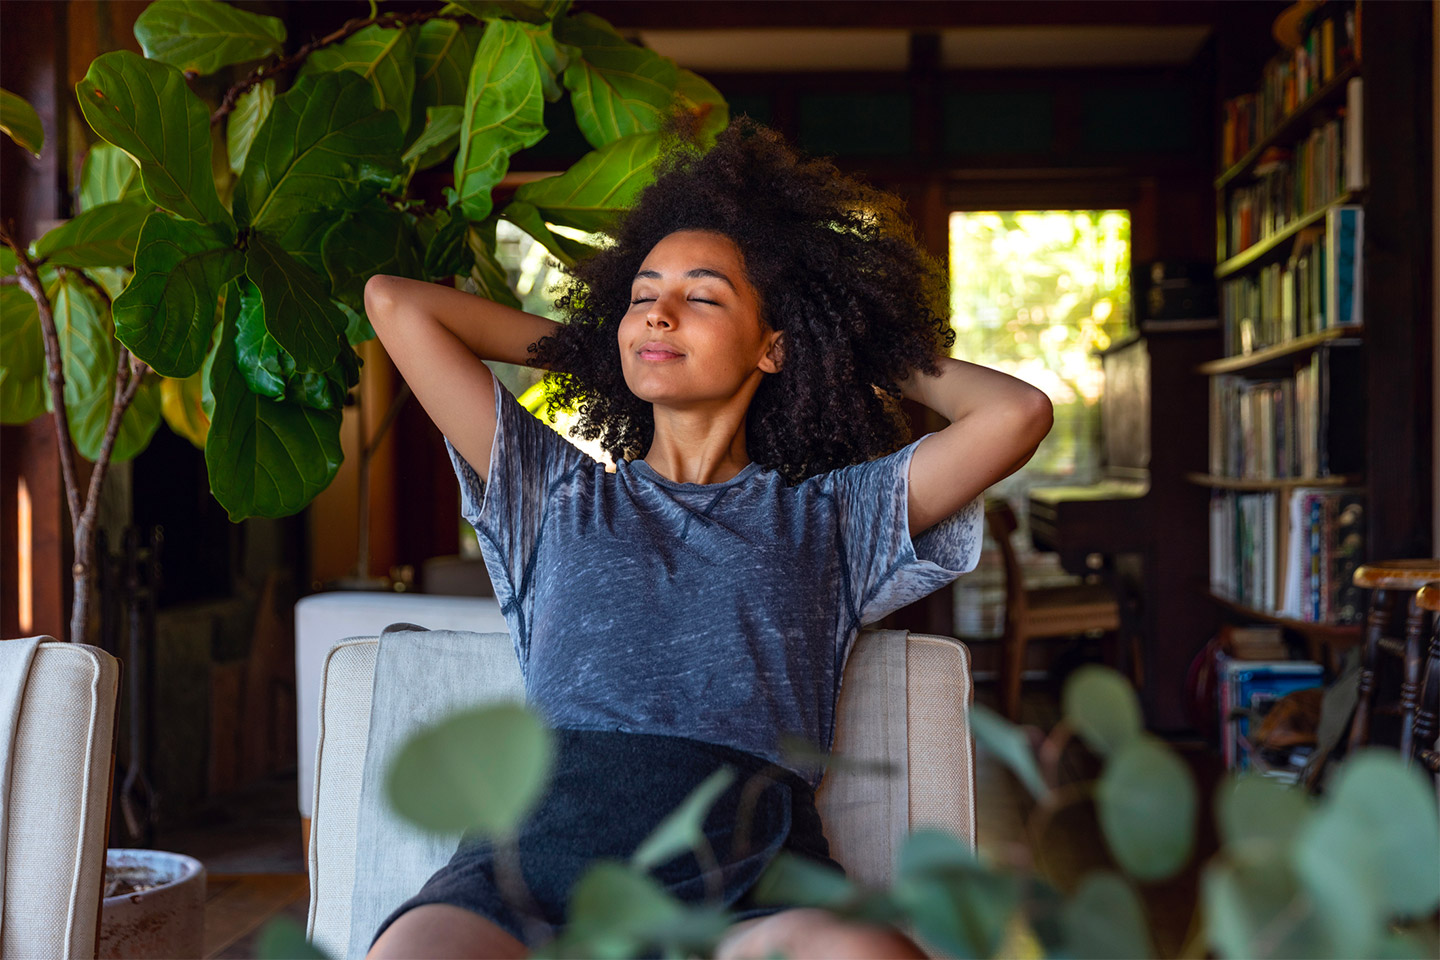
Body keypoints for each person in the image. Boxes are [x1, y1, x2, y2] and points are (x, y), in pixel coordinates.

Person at [362, 118, 1053, 960]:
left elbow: (1017, 413)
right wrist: (601, 348)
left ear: (772, 346)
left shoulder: (835, 518)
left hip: (748, 877)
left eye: (702, 298)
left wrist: (842, 344)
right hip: (533, 862)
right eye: (640, 297)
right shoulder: (554, 493)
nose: (658, 314)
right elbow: (395, 303)